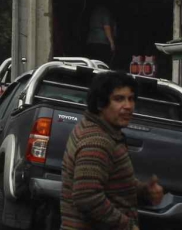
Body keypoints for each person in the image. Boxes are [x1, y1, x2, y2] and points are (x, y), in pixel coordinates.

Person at [62, 72, 165, 230]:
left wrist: (144, 191)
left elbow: (109, 184)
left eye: (131, 99)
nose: (128, 106)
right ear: (100, 104)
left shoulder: (104, 132)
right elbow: (87, 197)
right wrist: (127, 226)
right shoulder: (97, 141)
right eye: (119, 99)